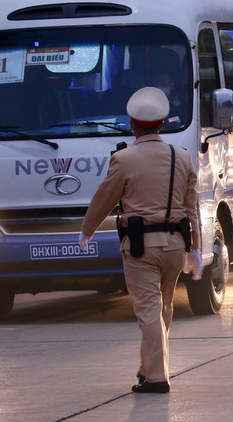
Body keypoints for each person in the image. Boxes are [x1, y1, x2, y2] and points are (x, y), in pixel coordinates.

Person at [79, 87, 202, 394]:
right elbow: (192, 207)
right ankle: (148, 368)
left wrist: (87, 230)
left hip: (140, 248)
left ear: (133, 125)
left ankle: (157, 377)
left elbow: (104, 199)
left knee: (148, 311)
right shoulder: (182, 157)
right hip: (176, 246)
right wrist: (196, 249)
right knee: (163, 308)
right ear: (161, 124)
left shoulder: (124, 159)